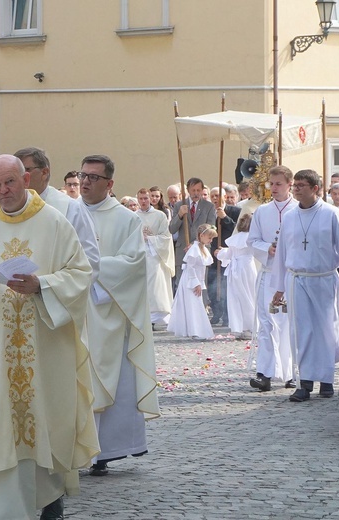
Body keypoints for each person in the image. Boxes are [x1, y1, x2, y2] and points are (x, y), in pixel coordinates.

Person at [0, 154, 97, 520]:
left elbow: (80, 274)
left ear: (25, 179)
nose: (3, 191)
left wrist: (42, 285)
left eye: (10, 182)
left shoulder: (54, 222)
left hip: (45, 352)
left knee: (45, 423)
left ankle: (50, 506)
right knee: (1, 431)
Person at [80, 155, 160, 477]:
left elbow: (132, 266)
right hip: (73, 309)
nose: (86, 182)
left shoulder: (126, 220)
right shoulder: (66, 214)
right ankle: (75, 447)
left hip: (106, 308)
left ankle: (105, 451)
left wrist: (89, 270)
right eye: (83, 175)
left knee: (113, 378)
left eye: (94, 178)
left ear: (110, 184)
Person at [272, 169, 339, 402]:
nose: (296, 189)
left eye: (301, 185)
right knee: (301, 330)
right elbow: (282, 253)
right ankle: (304, 382)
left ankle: (326, 381)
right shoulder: (291, 216)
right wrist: (278, 288)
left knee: (326, 330)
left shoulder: (331, 214)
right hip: (297, 280)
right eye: (295, 185)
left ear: (315, 189)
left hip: (324, 278)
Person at [246, 165, 298, 392]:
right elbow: (251, 241)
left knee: (289, 324)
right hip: (268, 275)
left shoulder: (298, 210)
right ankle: (265, 373)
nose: (274, 188)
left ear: (289, 184)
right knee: (266, 324)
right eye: (271, 184)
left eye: (278, 184)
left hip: (291, 277)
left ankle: (292, 373)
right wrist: (268, 248)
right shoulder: (262, 211)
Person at [14, 146, 100, 281]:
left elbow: (89, 262)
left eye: (25, 170)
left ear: (44, 172)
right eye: (15, 172)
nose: (19, 177)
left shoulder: (71, 209)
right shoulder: (8, 210)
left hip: (53, 296)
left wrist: (44, 285)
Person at [167, 224, 218, 340]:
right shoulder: (194, 249)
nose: (211, 240)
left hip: (196, 279)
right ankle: (194, 330)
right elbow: (190, 268)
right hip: (190, 280)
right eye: (209, 238)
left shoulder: (202, 249)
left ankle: (196, 329)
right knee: (192, 304)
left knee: (196, 303)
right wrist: (196, 283)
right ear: (202, 235)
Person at [137, 188, 175, 329]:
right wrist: (140, 237)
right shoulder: (133, 216)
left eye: (146, 198)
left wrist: (151, 238)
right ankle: (144, 317)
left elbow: (166, 237)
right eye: (141, 199)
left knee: (156, 286)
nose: (144, 201)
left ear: (151, 199)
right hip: (140, 256)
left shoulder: (160, 216)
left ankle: (159, 318)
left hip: (155, 255)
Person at [169, 178, 216, 289]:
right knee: (182, 285)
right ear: (188, 190)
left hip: (200, 252)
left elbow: (212, 229)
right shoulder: (179, 205)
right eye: (193, 190)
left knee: (198, 286)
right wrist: (180, 215)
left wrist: (195, 244)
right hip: (183, 251)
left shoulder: (208, 207)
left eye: (198, 190)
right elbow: (172, 229)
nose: (196, 193)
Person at [215, 214, 257, 340]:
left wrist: (220, 253)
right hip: (247, 268)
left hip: (235, 269)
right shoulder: (252, 238)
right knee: (249, 296)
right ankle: (249, 327)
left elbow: (229, 254)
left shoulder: (235, 239)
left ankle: (238, 327)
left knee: (236, 297)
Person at [207, 190, 241, 327]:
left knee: (226, 285)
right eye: (213, 196)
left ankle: (227, 315)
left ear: (225, 197)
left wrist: (225, 217)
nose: (215, 198)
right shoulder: (209, 211)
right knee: (212, 285)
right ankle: (216, 312)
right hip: (213, 253)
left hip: (228, 252)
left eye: (218, 196)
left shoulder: (235, 210)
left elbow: (238, 229)